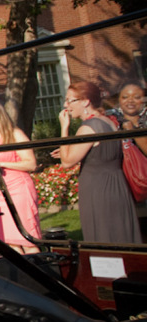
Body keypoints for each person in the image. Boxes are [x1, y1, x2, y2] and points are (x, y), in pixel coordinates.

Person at [58, 81, 141, 243]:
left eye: (70, 100)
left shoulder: (89, 127)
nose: (66, 105)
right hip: (117, 187)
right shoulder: (109, 122)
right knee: (120, 234)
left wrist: (64, 128)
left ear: (85, 101)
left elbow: (67, 162)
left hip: (98, 189)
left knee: (103, 235)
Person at [0, 101, 41, 253]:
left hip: (19, 190)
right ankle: (20, 276)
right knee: (9, 242)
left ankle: (40, 272)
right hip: (0, 193)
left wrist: (1, 163)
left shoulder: (15, 134)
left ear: (2, 116)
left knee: (27, 240)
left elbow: (31, 164)